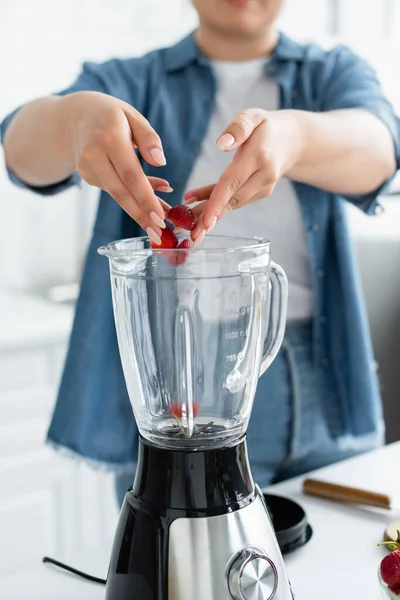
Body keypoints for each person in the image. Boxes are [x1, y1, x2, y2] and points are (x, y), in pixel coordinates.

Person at [1, 0, 399, 506]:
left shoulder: (332, 74)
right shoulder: (131, 80)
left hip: (325, 374)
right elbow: (18, 149)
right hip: (167, 378)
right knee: (178, 570)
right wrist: (71, 121)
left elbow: (381, 149)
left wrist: (295, 139)